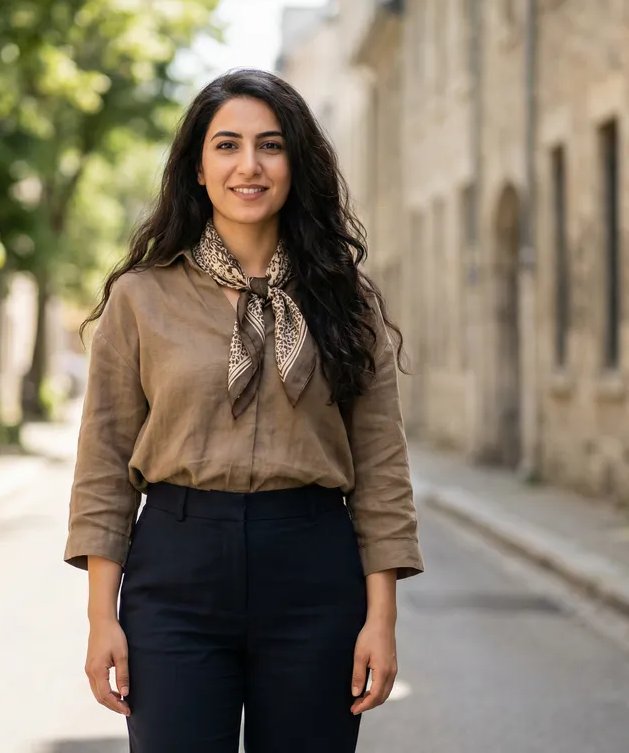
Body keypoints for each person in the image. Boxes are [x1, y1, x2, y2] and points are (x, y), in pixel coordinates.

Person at [64, 68, 424, 753]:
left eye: (271, 145)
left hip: (314, 573)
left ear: (296, 163)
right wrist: (99, 619)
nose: (249, 166)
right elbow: (104, 465)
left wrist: (383, 618)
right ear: (198, 169)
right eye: (226, 146)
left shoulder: (347, 301)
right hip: (176, 571)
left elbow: (381, 464)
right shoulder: (142, 300)